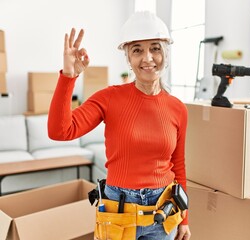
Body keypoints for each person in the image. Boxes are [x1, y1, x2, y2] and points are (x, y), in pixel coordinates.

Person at [48, 11, 191, 240]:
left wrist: (184, 218)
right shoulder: (109, 98)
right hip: (118, 213)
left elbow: (179, 166)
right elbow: (60, 131)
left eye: (155, 48)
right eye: (137, 50)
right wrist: (68, 76)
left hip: (163, 213)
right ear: (128, 58)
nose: (147, 58)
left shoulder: (178, 109)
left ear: (165, 52)